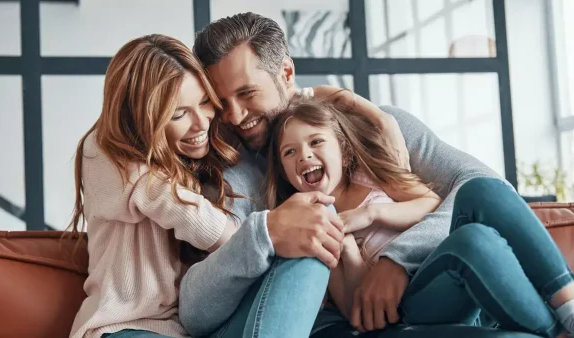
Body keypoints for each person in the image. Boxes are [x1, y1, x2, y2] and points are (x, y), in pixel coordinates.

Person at [178, 11, 574, 338]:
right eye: (220, 101)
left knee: (476, 233)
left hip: (451, 284)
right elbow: (197, 308)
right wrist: (265, 232)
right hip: (355, 323)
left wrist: (397, 260)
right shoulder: (231, 178)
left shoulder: (375, 127)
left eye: (247, 94)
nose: (233, 115)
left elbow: (483, 191)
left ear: (285, 73)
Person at [67, 34, 344, 338]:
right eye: (178, 113)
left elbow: (285, 109)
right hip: (124, 328)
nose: (202, 123)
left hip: (192, 331)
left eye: (204, 102)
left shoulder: (193, 148)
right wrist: (265, 235)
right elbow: (177, 207)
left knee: (313, 222)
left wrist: (348, 102)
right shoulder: (103, 151)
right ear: (142, 117)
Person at [265, 98, 441, 320]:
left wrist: (371, 214)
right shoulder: (313, 227)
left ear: (345, 153)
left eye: (316, 141)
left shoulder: (369, 177)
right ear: (285, 175)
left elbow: (433, 203)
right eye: (289, 152)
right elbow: (353, 310)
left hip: (431, 264)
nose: (304, 155)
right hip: (405, 308)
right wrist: (348, 249)